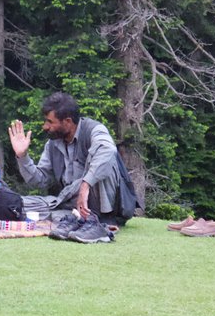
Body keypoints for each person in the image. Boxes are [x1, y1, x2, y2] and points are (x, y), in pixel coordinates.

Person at [8, 92, 136, 242]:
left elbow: (108, 151)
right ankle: (75, 221)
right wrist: (22, 156)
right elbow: (40, 180)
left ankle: (99, 224)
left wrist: (85, 184)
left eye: (50, 121)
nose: (45, 126)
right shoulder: (53, 144)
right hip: (69, 204)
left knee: (104, 157)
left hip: (106, 205)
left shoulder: (94, 130)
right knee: (15, 205)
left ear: (67, 121)